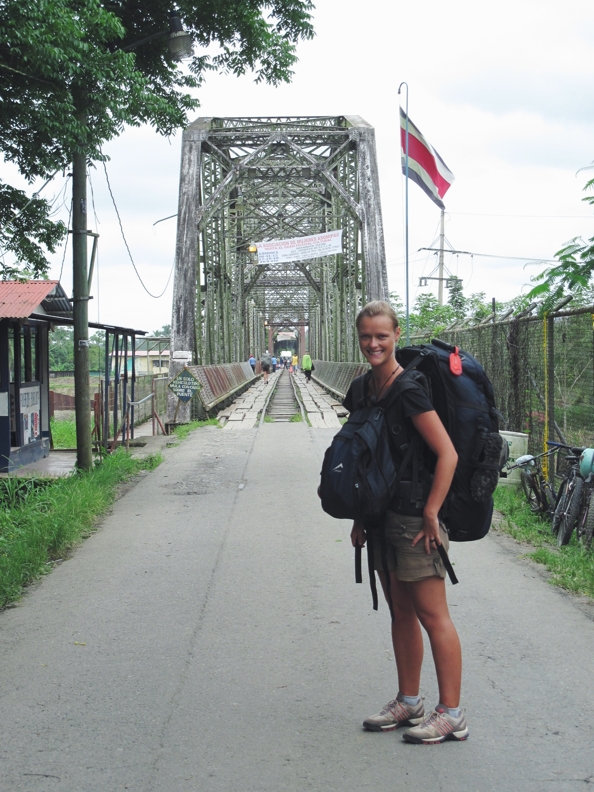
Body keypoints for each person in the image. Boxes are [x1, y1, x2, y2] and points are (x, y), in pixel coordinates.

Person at [344, 300, 467, 745]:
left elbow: (447, 453)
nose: (373, 343)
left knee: (433, 615)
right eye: (366, 336)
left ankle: (451, 713)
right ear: (358, 338)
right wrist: (360, 518)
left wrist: (432, 512)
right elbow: (364, 459)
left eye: (382, 335)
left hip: (414, 517)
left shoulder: (409, 388)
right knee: (400, 611)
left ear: (396, 334)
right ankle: (408, 701)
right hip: (379, 517)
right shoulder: (361, 389)